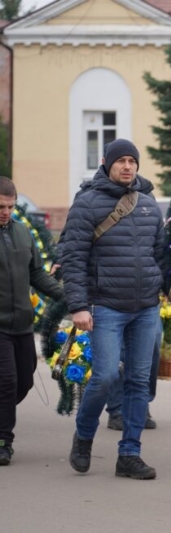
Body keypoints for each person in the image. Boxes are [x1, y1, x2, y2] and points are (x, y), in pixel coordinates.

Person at [60, 139, 166, 480]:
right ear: (106, 163)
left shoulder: (149, 205)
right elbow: (72, 257)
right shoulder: (87, 204)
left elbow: (160, 254)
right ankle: (84, 436)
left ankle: (130, 454)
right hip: (106, 306)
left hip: (146, 308)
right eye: (120, 160)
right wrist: (78, 306)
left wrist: (163, 288)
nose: (127, 166)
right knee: (104, 377)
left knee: (137, 381)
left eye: (132, 161)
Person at [0, 177, 64, 465]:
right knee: (8, 382)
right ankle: (4, 441)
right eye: (1, 206)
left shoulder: (23, 233)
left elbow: (37, 273)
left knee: (24, 382)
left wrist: (66, 295)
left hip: (23, 325)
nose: (5, 212)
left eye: (10, 206)